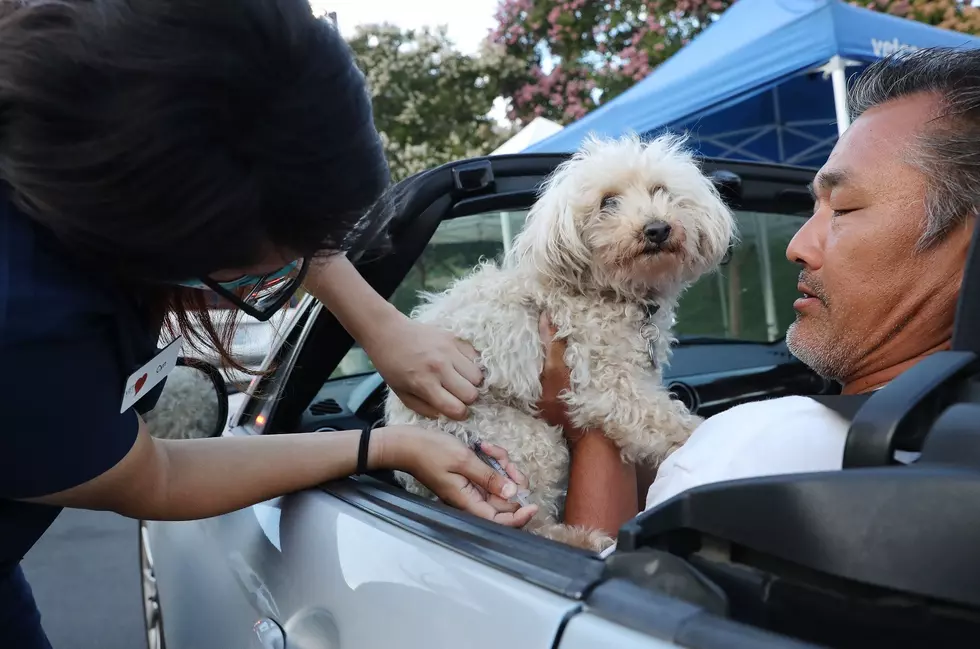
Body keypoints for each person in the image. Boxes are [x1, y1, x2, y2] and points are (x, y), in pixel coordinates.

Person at [0, 2, 532, 646]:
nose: (297, 271)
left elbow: (252, 146)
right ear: (141, 236)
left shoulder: (218, 48)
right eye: (259, 278)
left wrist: (381, 324)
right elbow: (156, 476)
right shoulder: (28, 322)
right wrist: (382, 446)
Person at [535, 46, 980, 541]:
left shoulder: (745, 453)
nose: (796, 245)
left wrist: (590, 422)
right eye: (813, 209)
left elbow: (598, 591)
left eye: (845, 209)